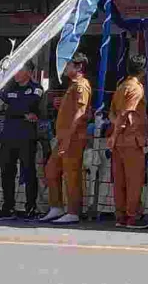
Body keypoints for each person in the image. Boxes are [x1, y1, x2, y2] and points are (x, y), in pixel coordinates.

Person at [41, 53, 91, 224]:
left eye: (68, 64)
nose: (65, 67)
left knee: (71, 174)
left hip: (73, 137)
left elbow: (80, 112)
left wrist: (68, 138)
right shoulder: (73, 86)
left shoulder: (81, 85)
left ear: (79, 67)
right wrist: (61, 103)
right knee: (51, 170)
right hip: (64, 137)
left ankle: (73, 211)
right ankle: (56, 207)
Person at [108, 54, 148, 229]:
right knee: (134, 181)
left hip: (119, 141)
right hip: (132, 140)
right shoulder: (136, 89)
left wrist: (115, 133)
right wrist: (116, 132)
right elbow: (125, 114)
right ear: (143, 70)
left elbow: (112, 114)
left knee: (119, 181)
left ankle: (120, 216)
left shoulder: (121, 87)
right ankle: (132, 217)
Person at [0, 61, 45, 220]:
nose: (15, 74)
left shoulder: (36, 88)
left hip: (26, 137)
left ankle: (30, 207)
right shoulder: (9, 87)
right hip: (8, 136)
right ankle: (8, 207)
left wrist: (13, 108)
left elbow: (29, 104)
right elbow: (10, 103)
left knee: (28, 171)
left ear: (29, 72)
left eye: (19, 70)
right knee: (6, 172)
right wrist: (22, 112)